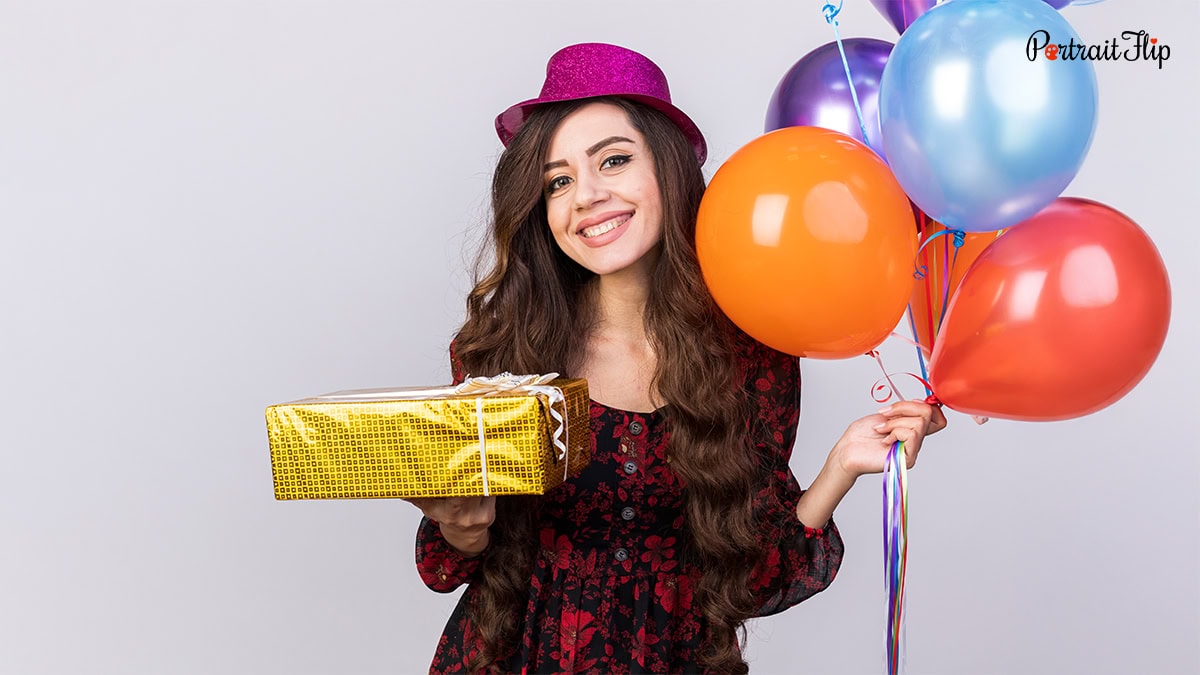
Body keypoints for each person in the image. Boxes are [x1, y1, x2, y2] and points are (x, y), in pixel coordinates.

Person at [407, 42, 946, 674]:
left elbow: (752, 576)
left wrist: (843, 466)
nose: (585, 196)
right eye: (558, 181)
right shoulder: (504, 350)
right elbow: (456, 564)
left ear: (668, 168)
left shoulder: (751, 357)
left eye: (613, 160)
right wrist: (463, 525)